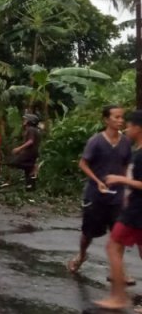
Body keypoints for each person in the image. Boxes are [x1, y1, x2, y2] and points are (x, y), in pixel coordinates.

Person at [68, 105, 132, 277]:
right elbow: (83, 163)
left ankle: (117, 270)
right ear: (106, 120)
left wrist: (126, 187)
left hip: (117, 196)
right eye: (116, 117)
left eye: (122, 117)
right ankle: (81, 255)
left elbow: (126, 164)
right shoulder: (95, 141)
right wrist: (97, 181)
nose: (120, 120)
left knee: (118, 233)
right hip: (95, 196)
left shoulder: (126, 141)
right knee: (88, 233)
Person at [95, 110, 142, 310]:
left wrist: (120, 179)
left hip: (137, 210)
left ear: (138, 128)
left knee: (113, 245)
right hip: (134, 206)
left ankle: (119, 296)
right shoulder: (136, 150)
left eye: (130, 125)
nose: (126, 128)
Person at [10, 113, 42, 190]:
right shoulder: (35, 130)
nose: (24, 121)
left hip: (29, 153)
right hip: (33, 153)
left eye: (25, 119)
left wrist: (19, 148)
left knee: (14, 162)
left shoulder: (31, 129)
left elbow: (30, 141)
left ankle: (32, 167)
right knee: (28, 173)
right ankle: (30, 187)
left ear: (30, 121)